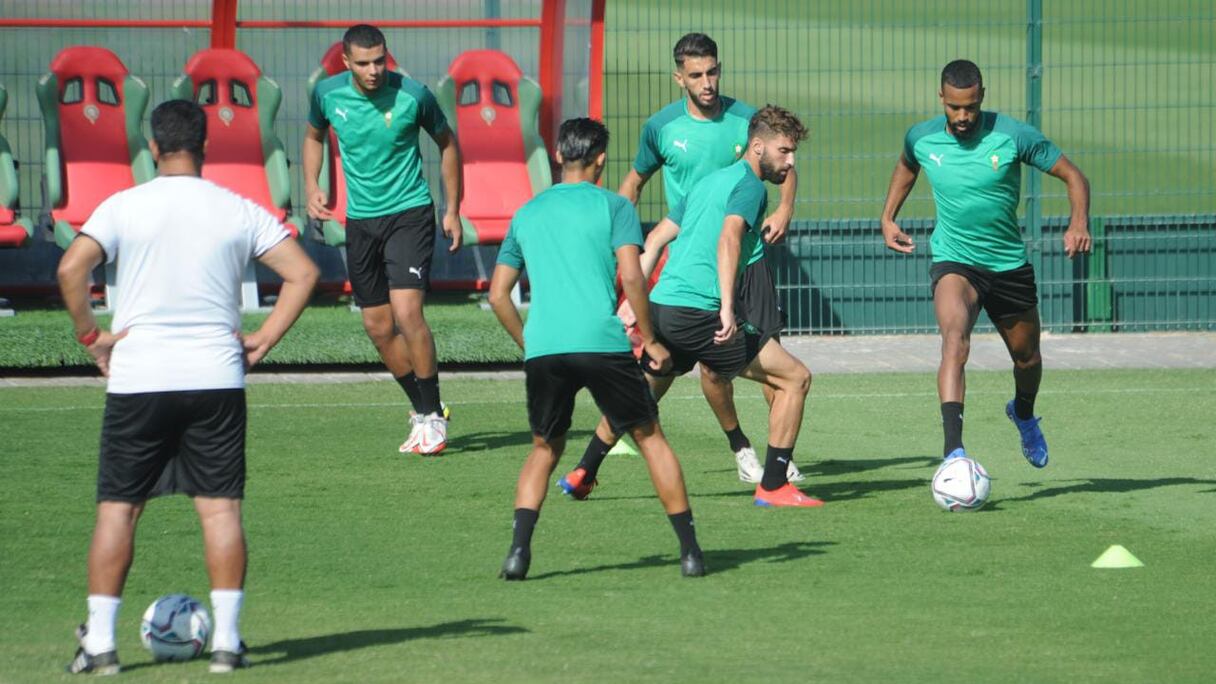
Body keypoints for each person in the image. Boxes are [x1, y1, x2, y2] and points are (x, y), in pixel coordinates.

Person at [58, 100, 319, 674]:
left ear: (152, 148)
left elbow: (70, 269)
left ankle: (100, 643)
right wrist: (265, 337)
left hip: (139, 378)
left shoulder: (124, 205)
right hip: (215, 376)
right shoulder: (236, 209)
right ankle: (226, 642)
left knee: (118, 512)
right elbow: (304, 272)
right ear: (206, 147)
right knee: (220, 512)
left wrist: (90, 336)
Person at [580, 32, 803, 487]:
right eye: (697, 75)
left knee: (723, 362)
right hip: (697, 272)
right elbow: (638, 184)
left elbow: (784, 165)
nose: (707, 82)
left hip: (746, 262)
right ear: (678, 77)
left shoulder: (748, 122)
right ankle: (754, 460)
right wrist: (622, 255)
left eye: (713, 71)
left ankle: (587, 465)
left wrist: (783, 209)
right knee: (771, 369)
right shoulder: (661, 127)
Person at [488, 118, 705, 580]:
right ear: (601, 159)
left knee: (545, 448)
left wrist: (530, 344)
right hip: (602, 343)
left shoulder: (527, 212)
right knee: (650, 438)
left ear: (559, 156)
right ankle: (690, 552)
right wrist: (650, 340)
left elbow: (497, 295)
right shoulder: (615, 207)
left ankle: (518, 553)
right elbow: (631, 275)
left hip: (546, 347)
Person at [879, 59, 1091, 467]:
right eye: (955, 107)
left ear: (982, 98)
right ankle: (954, 453)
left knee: (1027, 358)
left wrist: (1078, 222)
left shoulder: (1012, 135)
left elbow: (1074, 176)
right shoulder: (921, 138)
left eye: (971, 107)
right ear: (941, 98)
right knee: (954, 340)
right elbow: (907, 166)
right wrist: (888, 218)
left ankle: (1024, 414)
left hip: (1008, 264)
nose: (963, 117)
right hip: (955, 261)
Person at [303, 23, 462, 455]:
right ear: (346, 62)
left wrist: (451, 208)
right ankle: (425, 409)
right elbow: (314, 136)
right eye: (364, 63)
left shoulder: (414, 95)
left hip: (410, 214)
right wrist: (312, 184)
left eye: (380, 61)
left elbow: (448, 145)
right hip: (361, 223)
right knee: (377, 326)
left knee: (408, 313)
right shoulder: (326, 94)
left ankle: (433, 421)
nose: (374, 70)